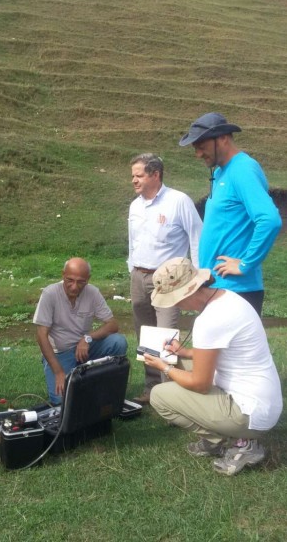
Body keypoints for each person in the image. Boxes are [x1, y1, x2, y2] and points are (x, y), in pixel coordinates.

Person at [144, 257, 282, 476]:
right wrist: (183, 353)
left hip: (249, 412)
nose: (175, 305)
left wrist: (164, 367)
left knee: (159, 395)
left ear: (187, 292)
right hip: (262, 400)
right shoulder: (229, 298)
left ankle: (234, 442)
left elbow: (200, 384)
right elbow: (223, 351)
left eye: (175, 300)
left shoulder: (209, 320)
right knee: (181, 361)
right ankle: (231, 437)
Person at [179, 112, 282, 316]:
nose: (198, 154)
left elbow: (269, 220)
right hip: (219, 286)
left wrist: (245, 263)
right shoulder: (220, 172)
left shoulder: (243, 169)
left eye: (202, 147)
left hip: (237, 290)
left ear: (223, 138)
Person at [128, 153, 202, 404]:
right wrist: (131, 268)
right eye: (133, 176)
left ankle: (172, 394)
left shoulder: (178, 201)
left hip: (168, 281)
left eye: (139, 175)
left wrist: (199, 277)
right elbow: (133, 241)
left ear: (155, 174)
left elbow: (196, 237)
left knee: (165, 335)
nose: (134, 180)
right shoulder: (135, 205)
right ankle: (151, 388)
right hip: (139, 276)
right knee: (144, 334)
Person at [33, 257, 128, 405]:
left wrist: (87, 338)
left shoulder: (93, 292)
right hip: (60, 353)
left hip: (85, 348)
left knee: (118, 342)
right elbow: (41, 336)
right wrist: (58, 372)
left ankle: (106, 385)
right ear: (62, 275)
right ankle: (78, 380)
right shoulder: (49, 294)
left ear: (88, 279)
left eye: (81, 282)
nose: (74, 286)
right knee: (61, 402)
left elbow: (113, 325)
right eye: (69, 280)